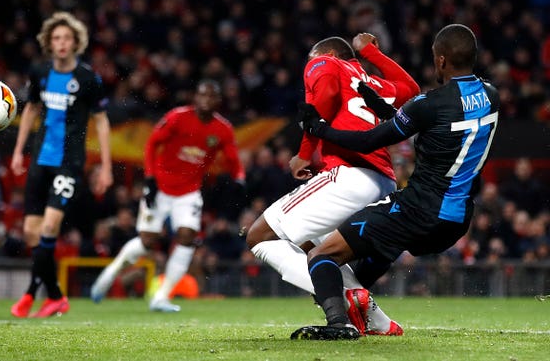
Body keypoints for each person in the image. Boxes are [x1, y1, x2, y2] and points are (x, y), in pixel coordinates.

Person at [292, 23, 499, 340]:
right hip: (457, 220)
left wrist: (319, 130)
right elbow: (436, 124)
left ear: (440, 60)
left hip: (417, 211)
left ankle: (339, 325)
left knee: (322, 255)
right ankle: (358, 307)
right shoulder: (491, 95)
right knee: (380, 246)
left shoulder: (429, 104)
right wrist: (383, 108)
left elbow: (367, 141)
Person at [245, 33, 419, 335]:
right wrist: (372, 53)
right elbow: (412, 89)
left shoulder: (325, 62)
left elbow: (320, 105)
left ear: (327, 53)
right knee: (316, 246)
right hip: (382, 181)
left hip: (350, 174)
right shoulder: (375, 82)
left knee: (259, 236)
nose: (309, 67)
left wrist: (303, 154)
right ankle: (377, 321)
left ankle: (344, 300)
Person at [90, 79, 245, 312]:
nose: (206, 100)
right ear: (196, 97)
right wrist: (150, 178)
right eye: (202, 95)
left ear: (217, 102)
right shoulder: (177, 117)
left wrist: (240, 179)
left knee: (187, 236)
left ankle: (161, 297)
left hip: (189, 192)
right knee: (147, 241)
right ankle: (111, 272)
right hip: (160, 186)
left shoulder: (222, 129)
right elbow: (152, 144)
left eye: (211, 97)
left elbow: (233, 160)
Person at [10, 11, 113, 318]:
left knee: (50, 226)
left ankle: (32, 293)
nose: (62, 43)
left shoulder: (87, 79)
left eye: (67, 38)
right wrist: (18, 151)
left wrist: (106, 167)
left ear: (76, 42)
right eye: (56, 38)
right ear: (49, 42)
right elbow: (30, 110)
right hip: (40, 160)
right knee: (31, 232)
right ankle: (53, 294)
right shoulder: (39, 71)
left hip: (69, 163)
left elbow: (102, 122)